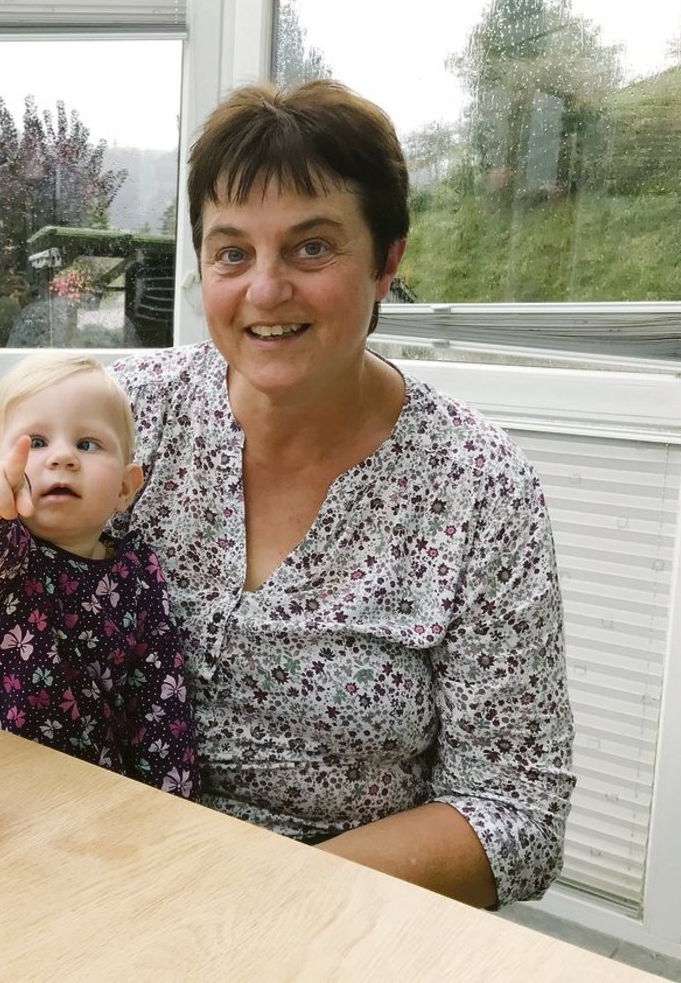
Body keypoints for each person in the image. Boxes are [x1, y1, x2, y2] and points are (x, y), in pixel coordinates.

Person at [109, 80, 575, 907]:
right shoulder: (121, 415)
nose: (264, 289)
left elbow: (515, 810)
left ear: (387, 260)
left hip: (337, 918)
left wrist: (259, 896)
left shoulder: (477, 488)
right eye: (231, 252)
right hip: (106, 863)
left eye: (312, 247)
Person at [0, 353, 199, 798]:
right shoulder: (2, 556)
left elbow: (158, 702)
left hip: (83, 799)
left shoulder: (139, 575)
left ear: (124, 487)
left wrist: (172, 805)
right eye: (35, 442)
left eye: (88, 444)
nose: (62, 457)